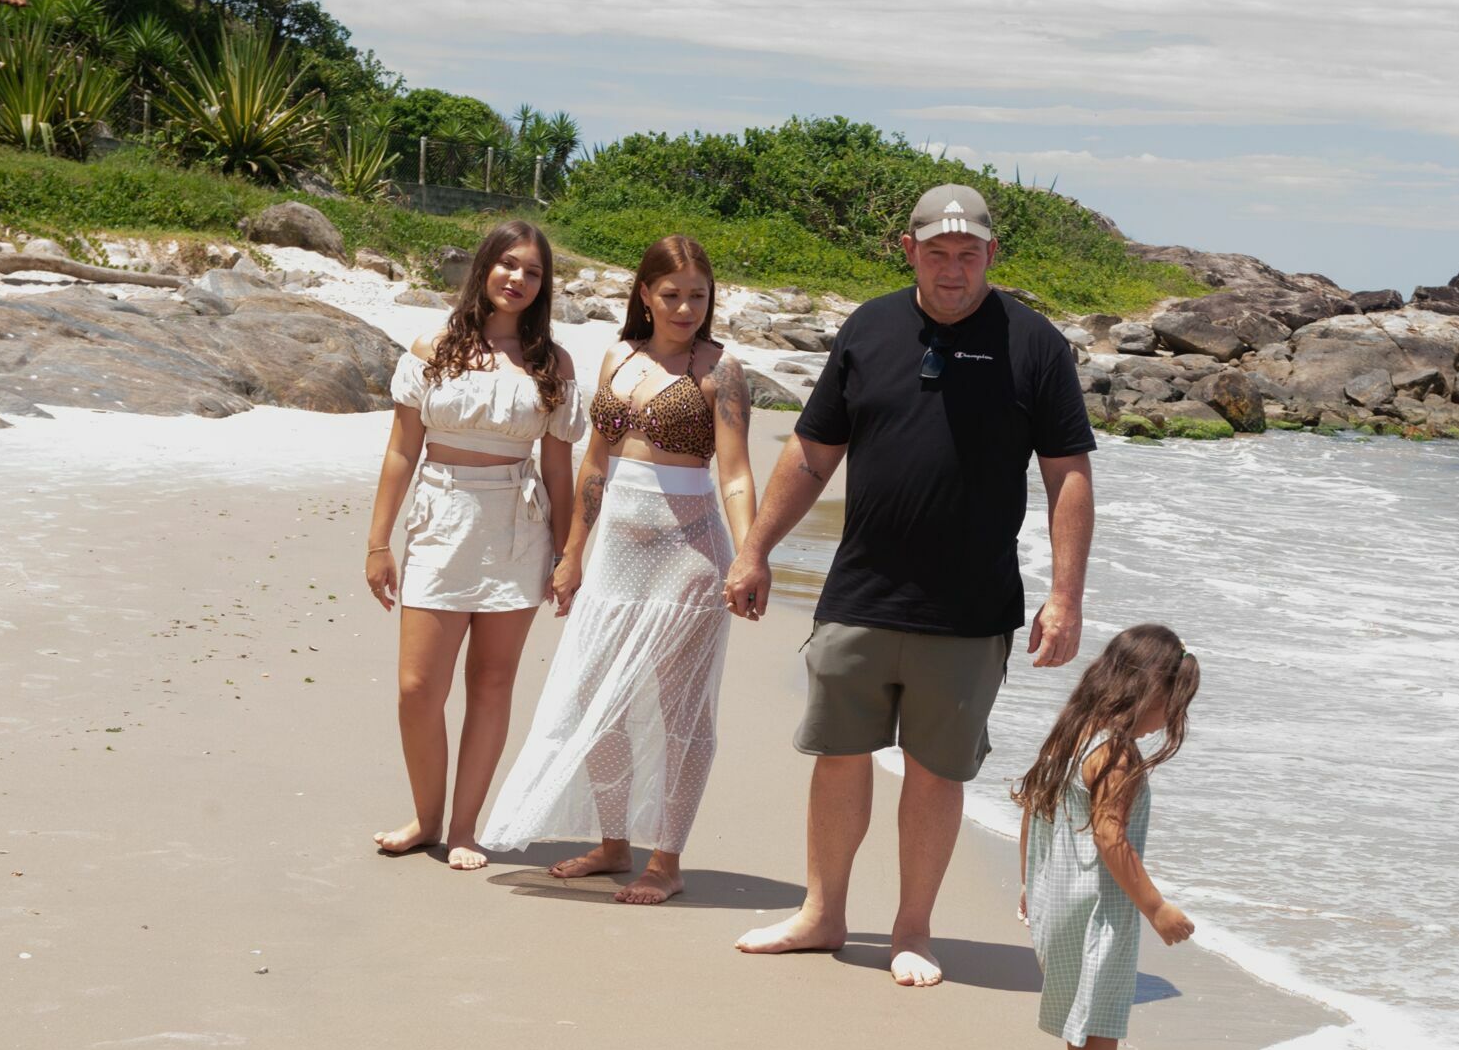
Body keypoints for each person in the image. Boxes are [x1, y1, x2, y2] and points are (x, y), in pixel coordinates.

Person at [726, 183, 1096, 985]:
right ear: (909, 250)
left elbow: (1067, 474)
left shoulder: (1035, 345)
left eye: (969, 254)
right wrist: (755, 549)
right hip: (861, 593)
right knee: (840, 755)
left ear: (993, 255)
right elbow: (812, 451)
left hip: (969, 610)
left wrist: (1064, 596)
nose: (953, 269)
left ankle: (912, 930)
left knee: (937, 770)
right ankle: (823, 916)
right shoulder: (869, 327)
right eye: (938, 253)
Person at [479, 235, 755, 905]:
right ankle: (612, 842)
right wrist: (572, 552)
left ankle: (667, 857)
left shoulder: (721, 371)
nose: (686, 307)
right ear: (645, 294)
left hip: (689, 558)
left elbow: (738, 476)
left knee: (679, 711)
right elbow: (595, 464)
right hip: (614, 558)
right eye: (672, 294)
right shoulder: (617, 356)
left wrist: (749, 556)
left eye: (698, 295)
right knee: (591, 700)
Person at [365, 220, 585, 871]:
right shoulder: (434, 344)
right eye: (508, 265)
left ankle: (463, 829)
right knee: (416, 689)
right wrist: (379, 543)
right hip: (441, 519)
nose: (518, 279)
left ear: (544, 286)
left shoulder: (552, 362)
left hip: (516, 526)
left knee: (491, 684)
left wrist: (567, 553)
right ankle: (425, 816)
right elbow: (402, 449)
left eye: (534, 272)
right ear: (485, 267)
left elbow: (558, 470)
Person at [1014, 625, 1199, 1050]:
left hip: (1058, 895)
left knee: (1087, 1009)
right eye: (1171, 705)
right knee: (1098, 1019)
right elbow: (1110, 836)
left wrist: (1029, 879)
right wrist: (1157, 907)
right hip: (1099, 909)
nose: (1169, 719)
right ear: (1145, 692)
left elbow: (1034, 804)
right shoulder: (1116, 754)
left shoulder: (1074, 731)